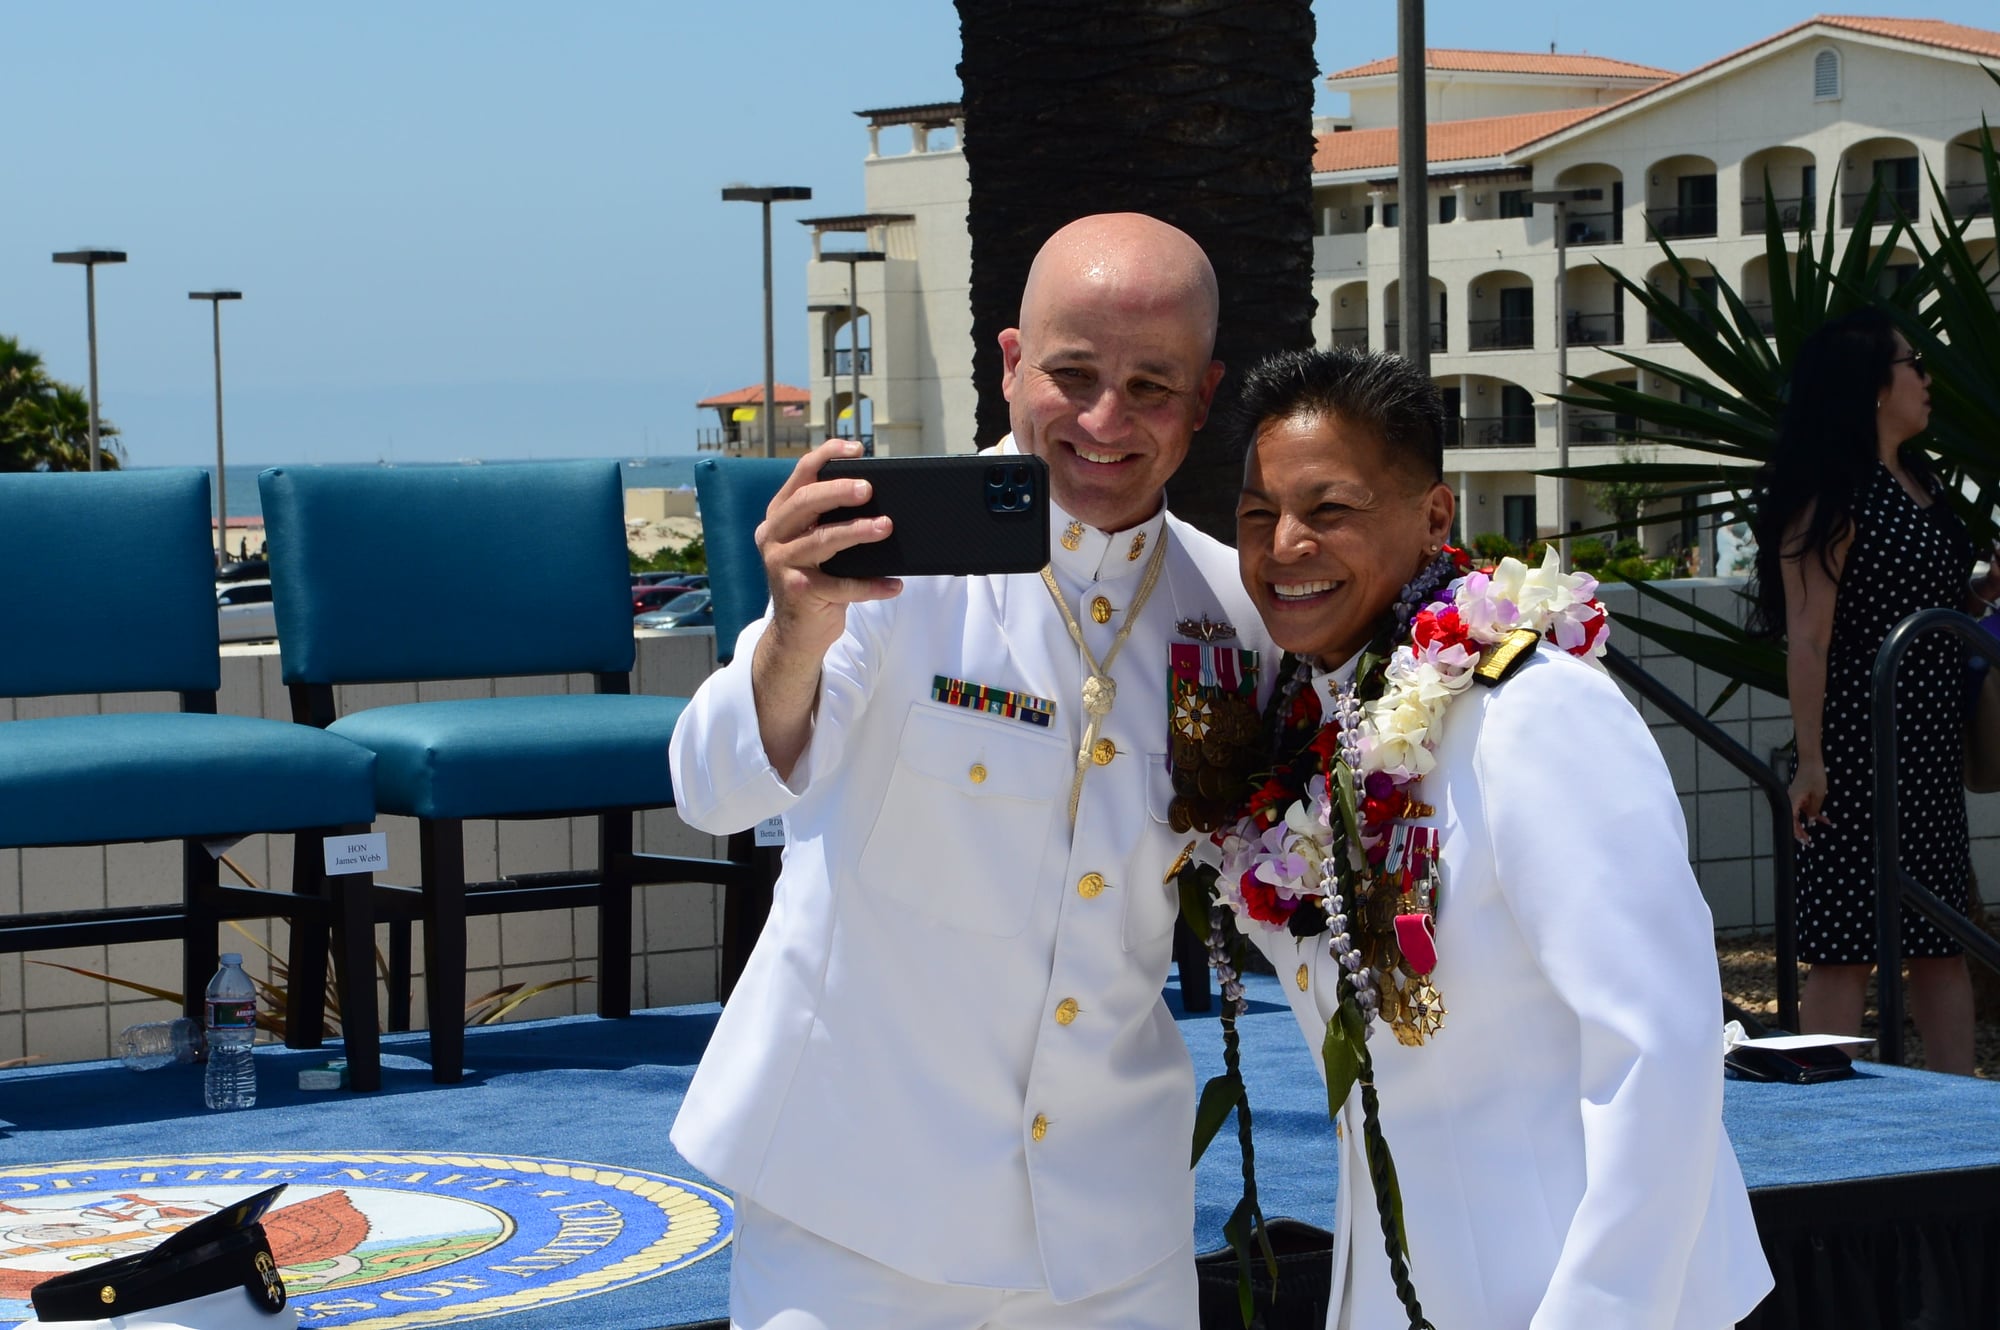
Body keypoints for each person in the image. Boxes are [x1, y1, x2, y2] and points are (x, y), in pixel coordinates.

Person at [667, 212, 1272, 1330]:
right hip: (857, 1207)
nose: (1102, 422)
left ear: (1204, 394)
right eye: (1071, 374)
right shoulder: (888, 567)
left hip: (1109, 1230)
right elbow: (715, 790)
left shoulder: (1237, 612)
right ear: (1008, 365)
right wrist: (795, 626)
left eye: (1150, 386)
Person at [1201, 347, 1772, 1329]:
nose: (1283, 545)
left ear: (1433, 515)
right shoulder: (1310, 728)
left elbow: (1657, 1044)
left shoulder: (1532, 710)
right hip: (1402, 1291)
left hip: (1579, 1292)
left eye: (1327, 510)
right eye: (1257, 516)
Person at [1751, 307, 1996, 1075]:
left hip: (1927, 743)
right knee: (1844, 949)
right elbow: (1810, 635)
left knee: (1939, 942)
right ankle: (1834, 1129)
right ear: (1871, 386)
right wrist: (1813, 760)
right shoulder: (1832, 495)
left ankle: (1964, 1125)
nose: (1926, 379)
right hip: (1858, 745)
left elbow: (1931, 598)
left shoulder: (1920, 483)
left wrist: (1985, 590)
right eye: (1912, 365)